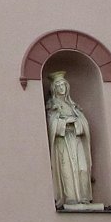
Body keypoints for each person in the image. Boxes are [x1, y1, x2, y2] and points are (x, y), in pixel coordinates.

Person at [45, 69, 94, 206]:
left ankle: (84, 197)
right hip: (63, 141)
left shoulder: (74, 106)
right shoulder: (53, 105)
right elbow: (52, 123)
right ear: (54, 88)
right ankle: (70, 198)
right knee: (67, 169)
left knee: (82, 168)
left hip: (76, 139)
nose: (61, 88)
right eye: (58, 86)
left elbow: (84, 123)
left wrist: (78, 123)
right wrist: (64, 123)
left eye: (63, 85)